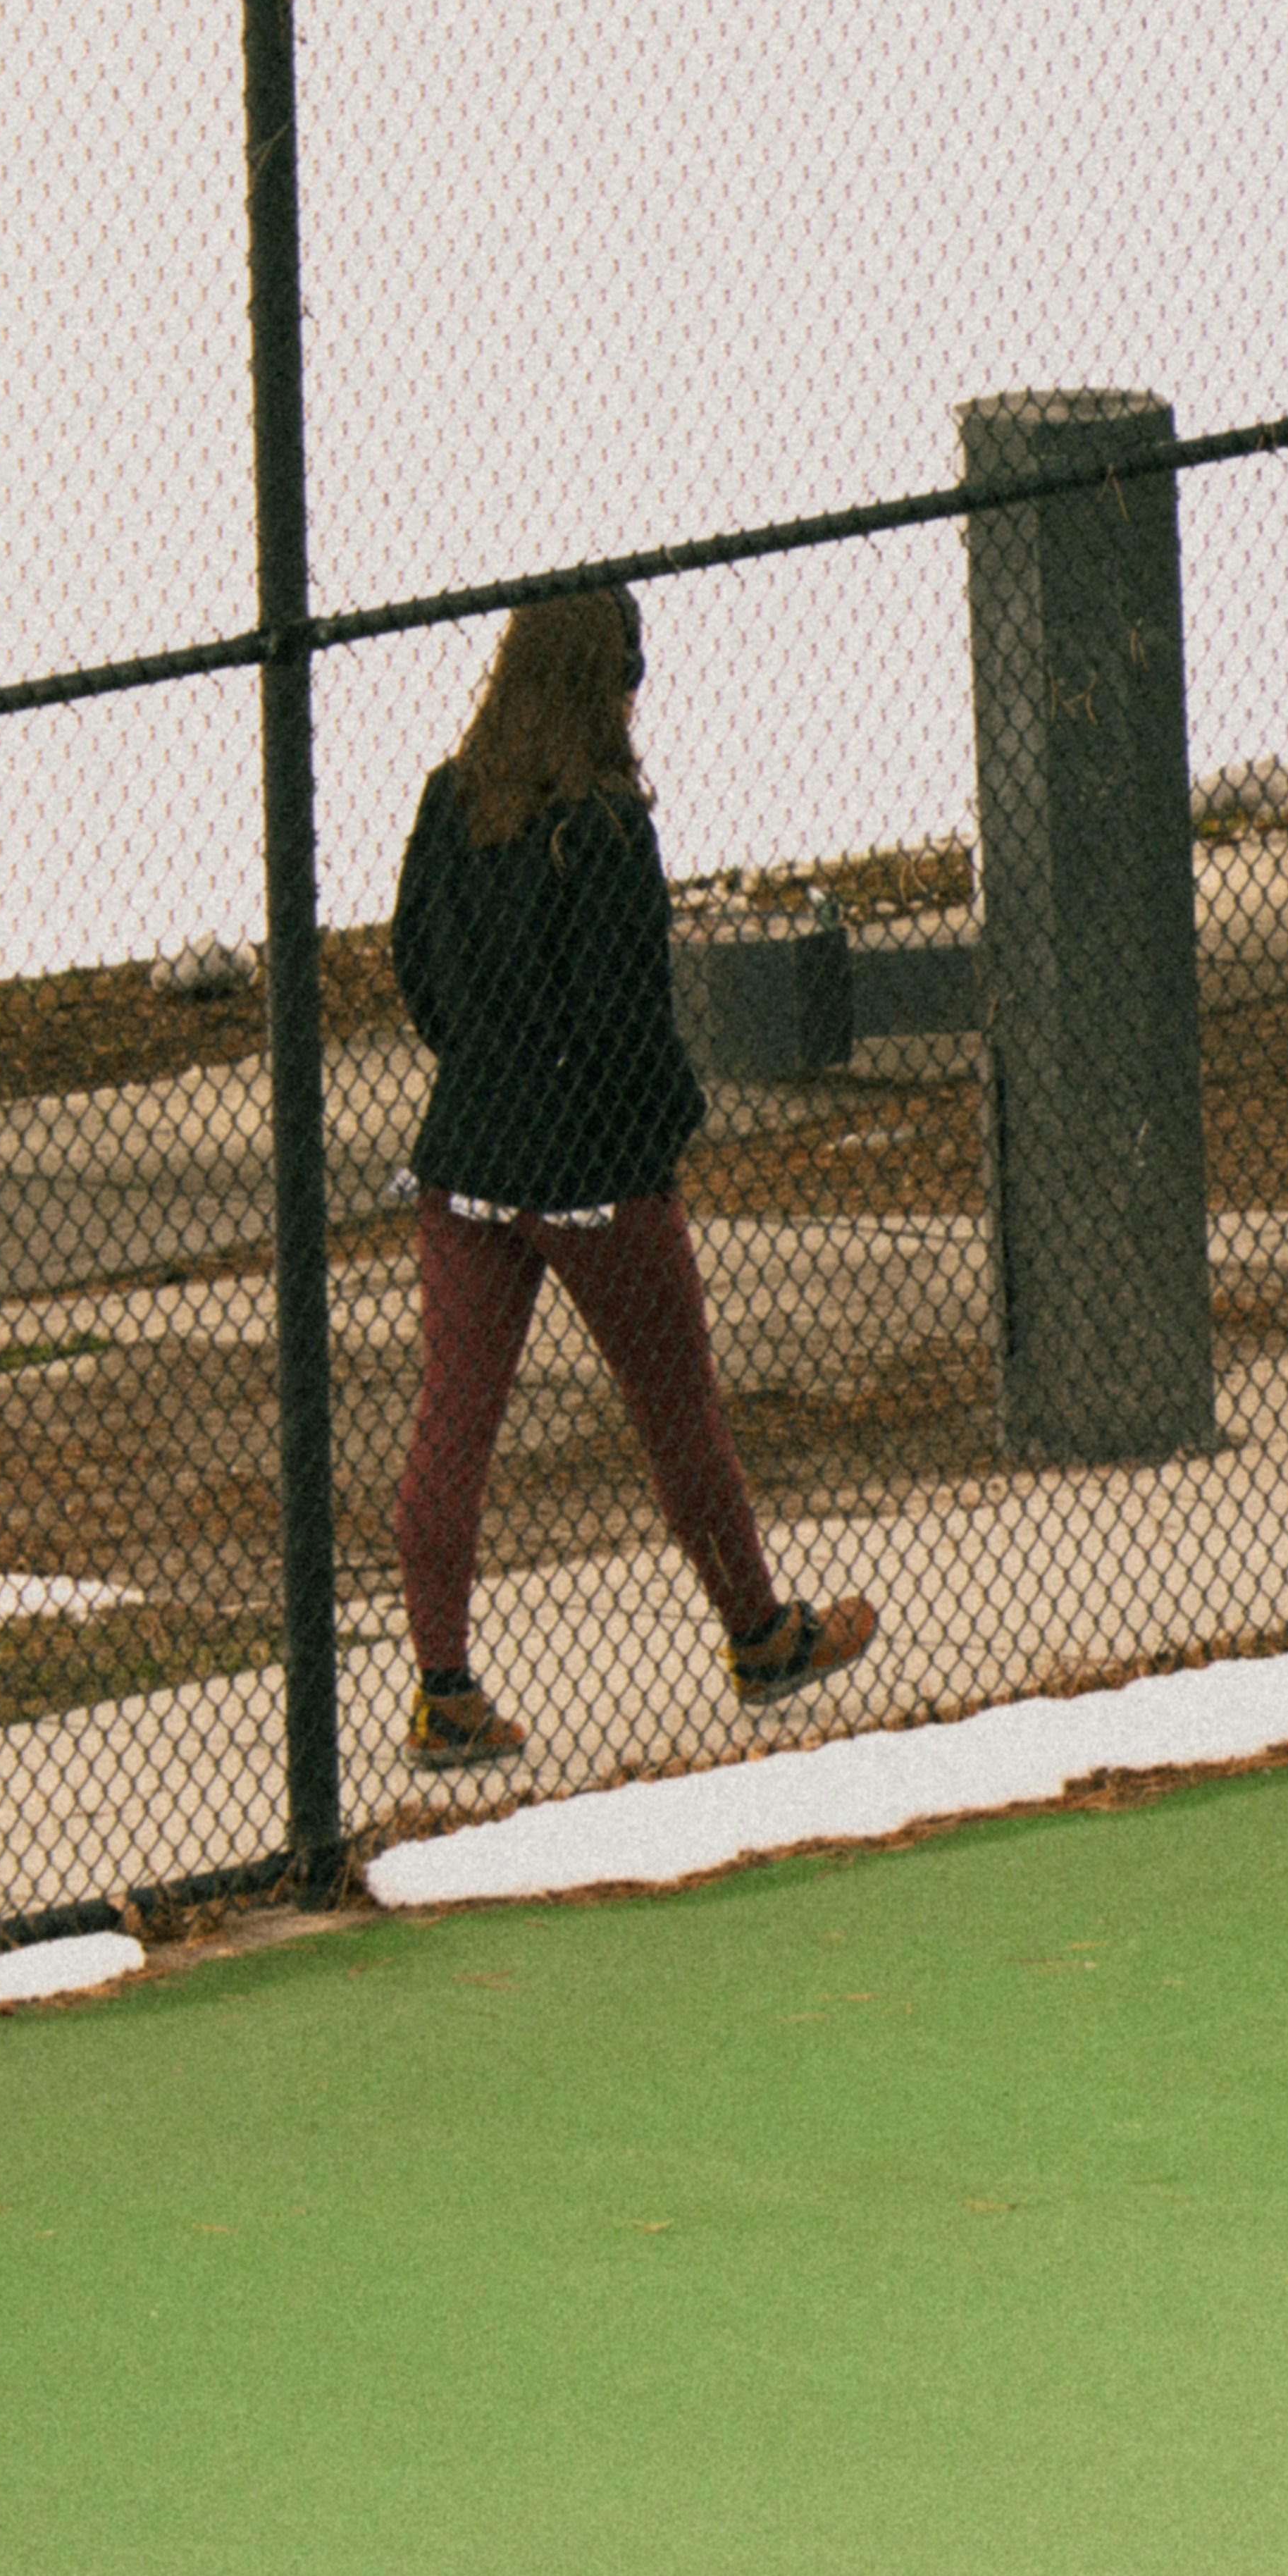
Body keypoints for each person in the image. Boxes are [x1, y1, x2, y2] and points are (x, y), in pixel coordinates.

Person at [387, 581, 877, 1770]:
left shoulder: (452, 805)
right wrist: (664, 1124)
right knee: (674, 1411)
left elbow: (417, 968)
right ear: (612, 683)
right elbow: (625, 1015)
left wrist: (486, 1063)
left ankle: (444, 1685)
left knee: (455, 1417)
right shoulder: (604, 830)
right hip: (596, 1169)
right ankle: (758, 1634)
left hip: (471, 1159)